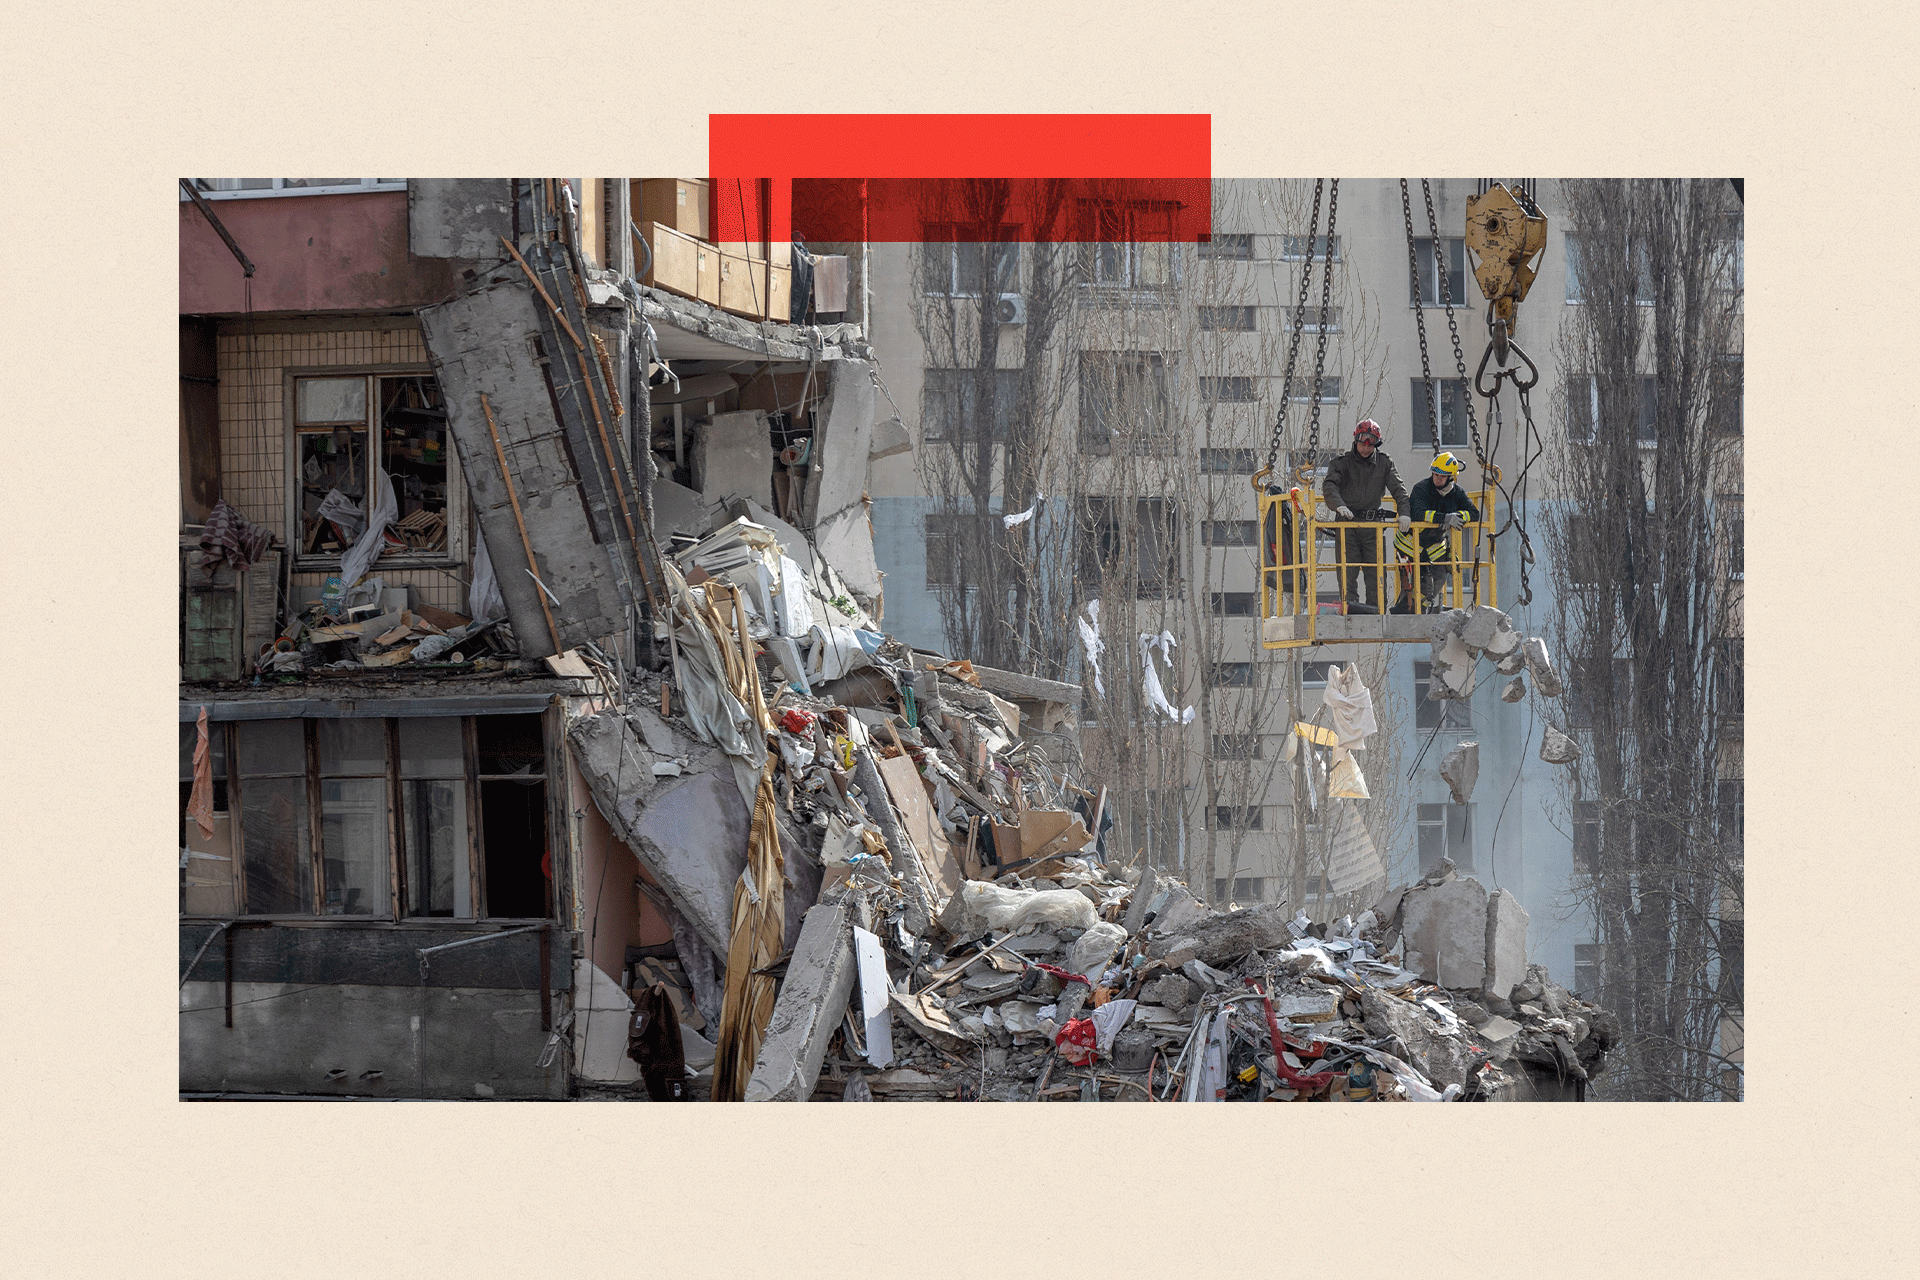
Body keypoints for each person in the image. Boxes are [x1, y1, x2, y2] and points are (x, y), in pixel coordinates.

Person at [1321, 420, 1410, 611]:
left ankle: (1376, 611)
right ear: (1356, 440)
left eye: (1370, 445)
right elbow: (1329, 486)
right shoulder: (1341, 464)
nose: (1365, 449)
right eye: (1362, 444)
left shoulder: (1384, 464)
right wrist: (1339, 506)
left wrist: (1404, 514)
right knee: (1347, 571)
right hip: (1347, 525)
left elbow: (1399, 490)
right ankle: (1350, 609)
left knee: (1376, 573)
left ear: (1376, 445)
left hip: (1372, 527)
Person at [1394, 451, 1480, 613]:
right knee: (1413, 584)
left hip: (1434, 546)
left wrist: (1459, 516)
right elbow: (1419, 513)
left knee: (1439, 577)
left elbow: (1474, 514)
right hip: (1410, 545)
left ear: (1451, 477)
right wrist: (1445, 518)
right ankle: (1407, 609)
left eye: (1442, 476)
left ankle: (1421, 609)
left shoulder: (1457, 493)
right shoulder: (1421, 488)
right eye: (1435, 474)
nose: (1437, 478)